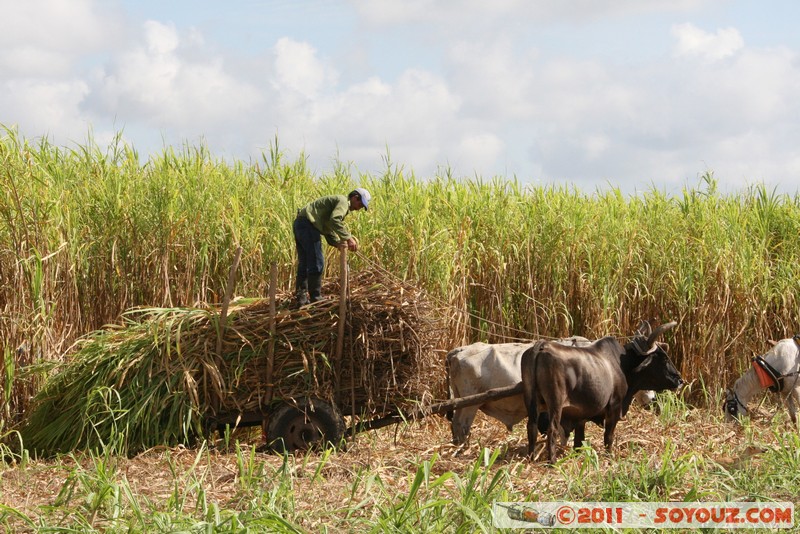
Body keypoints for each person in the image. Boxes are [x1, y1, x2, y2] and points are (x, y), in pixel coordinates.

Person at [292, 188, 371, 306]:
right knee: (317, 262)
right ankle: (316, 298)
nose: (359, 208)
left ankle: (301, 298)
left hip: (300, 223)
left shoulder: (339, 204)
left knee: (305, 263)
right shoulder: (344, 202)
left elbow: (327, 226)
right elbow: (335, 220)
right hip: (308, 226)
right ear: (355, 197)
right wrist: (348, 238)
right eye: (360, 203)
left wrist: (337, 243)